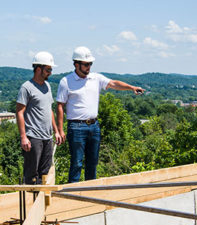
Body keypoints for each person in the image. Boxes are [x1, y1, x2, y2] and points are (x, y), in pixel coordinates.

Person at [57, 46, 145, 183]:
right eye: (86, 64)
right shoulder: (66, 81)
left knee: (92, 163)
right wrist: (60, 130)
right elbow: (60, 106)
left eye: (90, 64)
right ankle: (72, 194)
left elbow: (114, 83)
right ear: (76, 64)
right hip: (76, 127)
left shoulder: (95, 78)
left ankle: (91, 192)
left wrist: (131, 88)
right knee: (77, 163)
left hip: (94, 126)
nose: (89, 67)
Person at [16, 51, 62, 184]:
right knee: (31, 174)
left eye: (51, 69)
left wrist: (56, 131)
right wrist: (23, 136)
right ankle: (30, 202)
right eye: (48, 69)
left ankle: (40, 202)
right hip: (33, 137)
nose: (50, 72)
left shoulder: (47, 86)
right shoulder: (26, 88)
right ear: (38, 69)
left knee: (44, 174)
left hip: (47, 137)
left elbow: (49, 109)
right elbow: (19, 112)